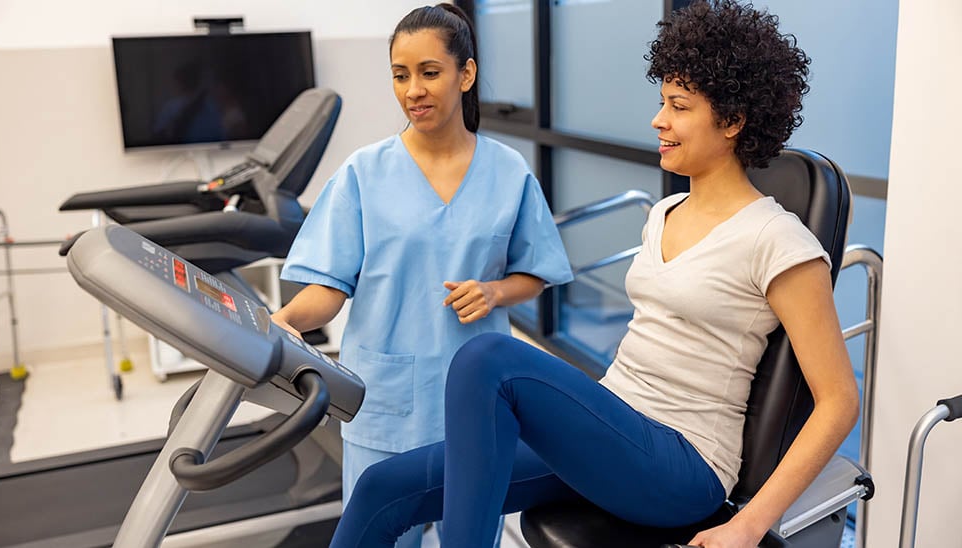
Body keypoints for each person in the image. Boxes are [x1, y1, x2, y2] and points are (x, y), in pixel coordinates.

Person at [328, 1, 860, 547]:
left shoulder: (778, 240)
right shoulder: (664, 214)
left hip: (682, 465)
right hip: (614, 432)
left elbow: (840, 400)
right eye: (662, 103)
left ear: (732, 120)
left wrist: (745, 527)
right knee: (380, 488)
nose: (658, 120)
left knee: (489, 358)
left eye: (678, 107)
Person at [271, 4, 573, 547]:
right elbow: (329, 285)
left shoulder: (507, 171)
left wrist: (495, 291)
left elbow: (537, 272)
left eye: (429, 72)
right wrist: (287, 319)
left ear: (467, 74)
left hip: (479, 408)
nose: (414, 89)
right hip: (385, 406)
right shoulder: (364, 172)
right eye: (400, 74)